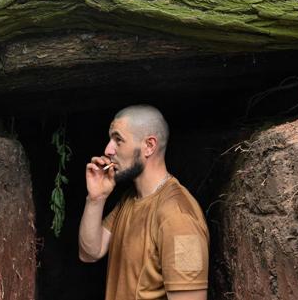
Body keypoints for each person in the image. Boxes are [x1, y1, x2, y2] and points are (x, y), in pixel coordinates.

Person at [78, 105, 209, 300]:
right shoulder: (130, 200)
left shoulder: (180, 219)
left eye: (118, 139)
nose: (108, 149)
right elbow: (90, 252)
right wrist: (96, 199)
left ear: (149, 146)